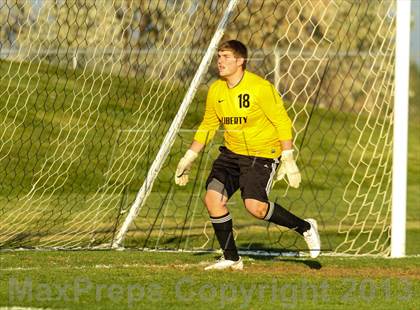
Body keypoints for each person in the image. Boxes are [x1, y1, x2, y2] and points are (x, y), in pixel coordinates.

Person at [174, 40, 320, 270]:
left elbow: (281, 121)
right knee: (213, 200)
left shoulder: (260, 88)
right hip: (231, 154)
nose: (220, 61)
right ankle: (231, 257)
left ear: (240, 61)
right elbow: (208, 125)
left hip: (262, 155)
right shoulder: (216, 90)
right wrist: (189, 156)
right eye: (218, 56)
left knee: (256, 207)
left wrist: (288, 158)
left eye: (226, 56)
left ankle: (305, 227)